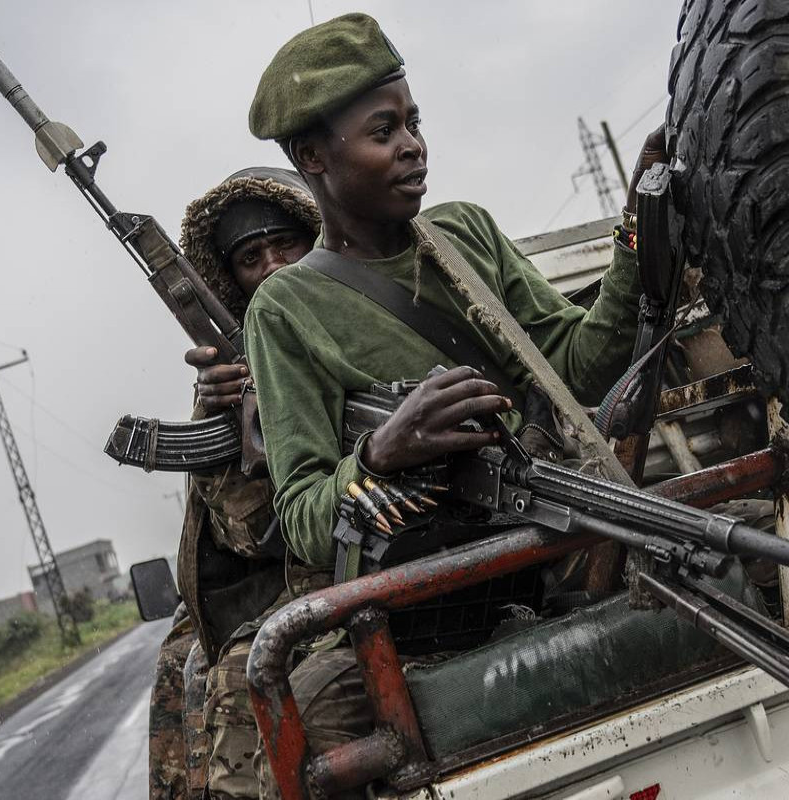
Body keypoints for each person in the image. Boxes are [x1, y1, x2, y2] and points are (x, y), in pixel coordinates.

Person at [238, 12, 668, 796]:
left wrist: (639, 232)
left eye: (413, 122)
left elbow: (577, 365)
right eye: (382, 130)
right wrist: (380, 454)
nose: (412, 144)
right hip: (418, 619)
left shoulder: (463, 233)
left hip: (543, 552)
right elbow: (301, 510)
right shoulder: (285, 309)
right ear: (312, 157)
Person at [147, 166, 319, 800]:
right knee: (182, 659)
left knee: (233, 672)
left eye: (287, 244)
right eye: (251, 257)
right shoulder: (240, 371)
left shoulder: (371, 308)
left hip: (353, 560)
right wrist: (223, 414)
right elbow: (249, 535)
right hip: (287, 570)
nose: (274, 265)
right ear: (232, 281)